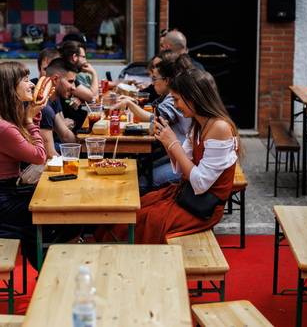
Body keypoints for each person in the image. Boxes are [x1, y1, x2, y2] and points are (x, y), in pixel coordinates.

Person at [95, 68, 243, 244]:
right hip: (186, 195)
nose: (175, 105)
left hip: (202, 209)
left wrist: (173, 143)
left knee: (140, 222)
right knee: (133, 209)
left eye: (177, 99)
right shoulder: (198, 123)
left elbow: (200, 183)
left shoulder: (220, 128)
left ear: (193, 97)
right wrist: (167, 142)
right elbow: (181, 167)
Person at [0, 61, 77, 270]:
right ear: (10, 87)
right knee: (67, 214)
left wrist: (31, 116)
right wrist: (30, 121)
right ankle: (52, 268)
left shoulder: (3, 119)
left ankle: (49, 266)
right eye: (26, 80)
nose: (32, 84)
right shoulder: (2, 127)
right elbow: (39, 156)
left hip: (7, 195)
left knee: (62, 209)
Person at [112, 52, 192, 192]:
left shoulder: (173, 101)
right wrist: (130, 104)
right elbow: (153, 119)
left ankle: (140, 212)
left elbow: (152, 128)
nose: (152, 82)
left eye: (155, 78)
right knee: (141, 169)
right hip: (180, 155)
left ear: (167, 80)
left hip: (186, 160)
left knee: (142, 182)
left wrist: (130, 105)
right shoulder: (173, 97)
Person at [38, 58, 79, 158]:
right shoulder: (44, 107)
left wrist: (83, 149)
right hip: (28, 168)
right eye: (70, 81)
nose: (74, 87)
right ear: (55, 79)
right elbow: (49, 154)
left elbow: (65, 134)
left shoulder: (53, 99)